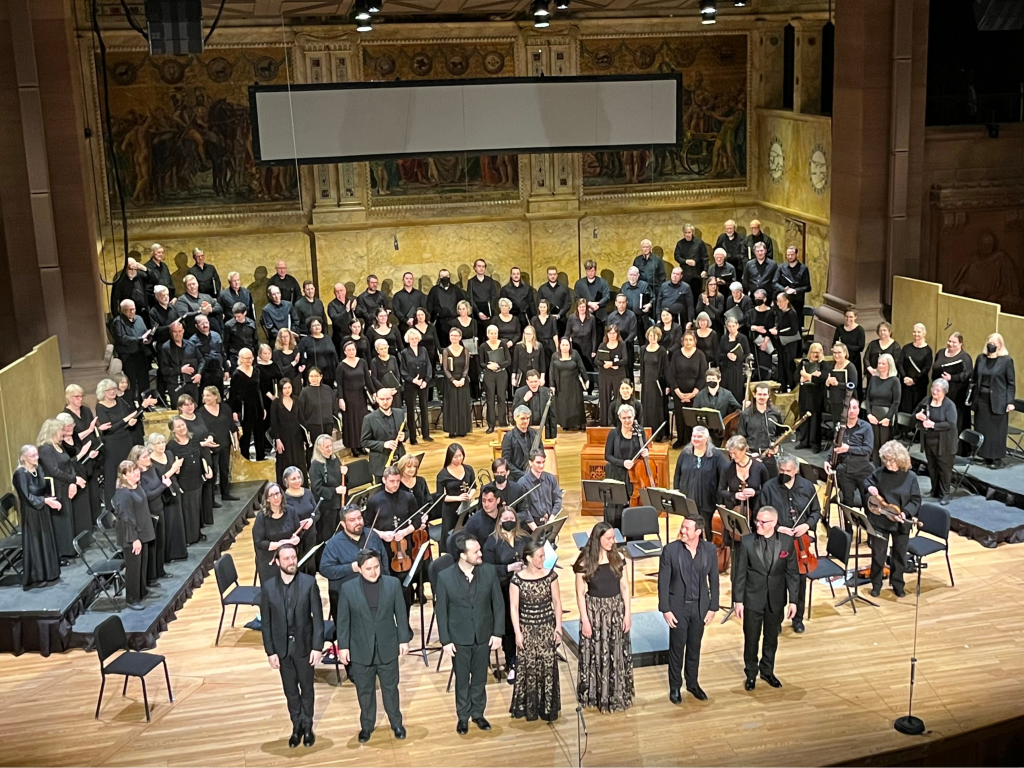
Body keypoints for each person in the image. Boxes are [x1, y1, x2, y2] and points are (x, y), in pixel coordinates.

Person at [338, 549, 412, 743]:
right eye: (368, 568)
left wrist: (403, 639)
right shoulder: (347, 588)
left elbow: (401, 614)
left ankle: (396, 723)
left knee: (391, 688)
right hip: (361, 648)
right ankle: (367, 725)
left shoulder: (392, 584)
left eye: (376, 567)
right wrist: (343, 646)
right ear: (359, 569)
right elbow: (343, 621)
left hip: (387, 646)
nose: (373, 572)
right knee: (364, 690)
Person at [436, 535, 505, 734]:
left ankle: (478, 713)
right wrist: (446, 640)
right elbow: (441, 611)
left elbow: (498, 605)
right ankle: (463, 716)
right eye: (475, 552)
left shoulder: (489, 571)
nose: (480, 554)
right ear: (463, 555)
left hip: (483, 635)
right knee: (462, 679)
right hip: (459, 638)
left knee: (480, 678)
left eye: (479, 550)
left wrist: (498, 632)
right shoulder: (445, 577)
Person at [261, 542, 324, 749]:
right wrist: (270, 651)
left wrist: (317, 647)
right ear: (277, 562)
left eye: (294, 557)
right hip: (282, 649)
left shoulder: (308, 583)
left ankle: (307, 727)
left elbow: (317, 619)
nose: (291, 562)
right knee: (290, 691)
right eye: (286, 558)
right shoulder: (268, 587)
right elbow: (267, 623)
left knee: (307, 689)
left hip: (305, 648)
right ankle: (296, 727)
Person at [733, 506, 798, 690]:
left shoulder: (786, 542)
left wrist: (793, 600)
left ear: (774, 523)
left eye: (763, 522)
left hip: (776, 599)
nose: (758, 524)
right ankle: (751, 673)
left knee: (771, 638)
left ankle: (767, 671)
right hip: (753, 598)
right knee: (751, 638)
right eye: (757, 521)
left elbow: (792, 573)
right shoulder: (746, 542)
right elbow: (740, 574)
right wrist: (738, 601)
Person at [573, 522, 634, 712]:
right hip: (595, 613)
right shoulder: (585, 562)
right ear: (597, 539)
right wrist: (585, 620)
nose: (612, 541)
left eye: (613, 537)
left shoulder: (618, 557)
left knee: (615, 653)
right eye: (608, 538)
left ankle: (616, 693)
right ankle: (596, 694)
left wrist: (628, 614)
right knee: (597, 654)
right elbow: (580, 594)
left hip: (615, 611)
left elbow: (625, 587)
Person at [658, 516, 719, 703]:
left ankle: (692, 683)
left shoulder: (709, 550)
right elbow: (663, 582)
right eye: (682, 527)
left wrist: (713, 607)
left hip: (700, 608)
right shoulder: (670, 550)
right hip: (678, 608)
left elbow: (714, 580)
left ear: (698, 532)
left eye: (687, 528)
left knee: (694, 647)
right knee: (677, 649)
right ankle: (675, 687)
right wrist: (666, 609)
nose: (682, 531)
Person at [760, 455, 821, 633]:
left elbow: (816, 512)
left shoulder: (807, 487)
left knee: (800, 582)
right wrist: (778, 527)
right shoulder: (769, 487)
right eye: (782, 471)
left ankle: (798, 619)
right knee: (777, 585)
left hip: (800, 544)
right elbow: (762, 513)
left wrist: (806, 525)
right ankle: (776, 621)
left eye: (788, 471)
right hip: (777, 541)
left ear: (796, 470)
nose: (785, 474)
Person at [509, 539, 562, 721]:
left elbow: (557, 603)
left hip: (547, 628)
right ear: (530, 558)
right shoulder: (517, 580)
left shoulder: (551, 576)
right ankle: (529, 707)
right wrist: (518, 632)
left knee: (547, 667)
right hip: (527, 629)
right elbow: (514, 608)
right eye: (540, 556)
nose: (543, 559)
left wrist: (558, 628)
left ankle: (547, 707)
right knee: (528, 667)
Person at [864, 441, 922, 597]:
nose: (888, 463)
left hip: (900, 522)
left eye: (891, 460)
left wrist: (906, 513)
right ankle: (876, 584)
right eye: (886, 460)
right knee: (878, 554)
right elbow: (867, 481)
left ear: (900, 459)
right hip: (881, 521)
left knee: (899, 555)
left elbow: (916, 500)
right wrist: (870, 488)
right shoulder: (880, 473)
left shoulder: (910, 478)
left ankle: (898, 584)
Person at [480, 509, 529, 681]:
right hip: (502, 589)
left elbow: (533, 556)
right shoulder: (492, 541)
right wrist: (508, 568)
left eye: (511, 518)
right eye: (505, 518)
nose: (508, 520)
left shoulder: (524, 537)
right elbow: (485, 569)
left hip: (524, 588)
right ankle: (512, 662)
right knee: (509, 624)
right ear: (499, 521)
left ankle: (527, 660)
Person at [320, 505, 389, 620]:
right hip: (347, 599)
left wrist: (386, 583)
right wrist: (352, 568)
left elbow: (384, 559)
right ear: (343, 524)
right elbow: (325, 569)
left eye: (359, 518)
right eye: (352, 520)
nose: (358, 522)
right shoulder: (334, 543)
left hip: (375, 595)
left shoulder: (372, 535)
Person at [12, 445, 61, 589]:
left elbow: (42, 488)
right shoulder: (20, 474)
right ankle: (37, 576)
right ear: (23, 458)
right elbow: (26, 497)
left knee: (46, 539)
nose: (37, 458)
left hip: (42, 508)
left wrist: (49, 499)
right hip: (31, 512)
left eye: (36, 454)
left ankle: (50, 572)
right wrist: (45, 501)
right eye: (32, 456)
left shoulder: (38, 469)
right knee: (35, 542)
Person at [111, 460, 155, 610]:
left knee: (142, 565)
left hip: (142, 532)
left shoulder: (136, 486)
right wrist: (134, 539)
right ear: (124, 475)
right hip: (131, 536)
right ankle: (132, 598)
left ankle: (141, 590)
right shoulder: (123, 494)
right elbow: (126, 518)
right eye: (131, 471)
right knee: (134, 568)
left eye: (136, 470)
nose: (137, 473)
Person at [36, 418, 80, 563]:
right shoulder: (46, 449)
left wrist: (72, 481)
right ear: (53, 432)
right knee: (59, 521)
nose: (63, 432)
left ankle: (68, 549)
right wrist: (72, 480)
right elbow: (53, 471)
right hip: (56, 488)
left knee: (67, 519)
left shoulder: (59, 446)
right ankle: (60, 553)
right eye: (61, 430)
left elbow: (69, 464)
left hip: (65, 485)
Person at [166, 415, 212, 545]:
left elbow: (202, 456)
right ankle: (188, 537)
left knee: (197, 507)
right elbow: (172, 466)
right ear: (173, 430)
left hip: (197, 478)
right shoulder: (172, 446)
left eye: (183, 425)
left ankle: (196, 533)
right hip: (184, 481)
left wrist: (208, 469)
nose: (181, 428)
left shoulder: (194, 438)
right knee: (187, 510)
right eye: (178, 426)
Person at [95, 379, 140, 513]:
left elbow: (130, 415)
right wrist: (125, 420)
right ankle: (112, 507)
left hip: (126, 439)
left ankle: (130, 501)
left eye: (114, 389)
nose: (112, 392)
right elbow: (110, 428)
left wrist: (130, 421)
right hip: (112, 444)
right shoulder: (100, 407)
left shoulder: (120, 401)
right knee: (112, 474)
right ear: (102, 392)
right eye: (109, 390)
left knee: (128, 470)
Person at [972, 332, 1016, 467]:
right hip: (981, 399)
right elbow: (974, 378)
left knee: (996, 431)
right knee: (983, 428)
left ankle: (996, 458)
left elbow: (1011, 383)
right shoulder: (981, 358)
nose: (991, 345)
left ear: (1000, 345)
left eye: (994, 344)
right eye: (989, 343)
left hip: (998, 401)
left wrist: (1010, 401)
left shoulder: (1006, 361)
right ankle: (985, 455)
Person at [674, 427, 727, 534]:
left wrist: (721, 499)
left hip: (708, 499)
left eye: (700, 436)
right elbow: (677, 473)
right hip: (688, 498)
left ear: (706, 438)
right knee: (690, 527)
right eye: (694, 436)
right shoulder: (685, 453)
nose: (696, 439)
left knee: (707, 528)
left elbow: (724, 476)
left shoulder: (716, 455)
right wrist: (676, 490)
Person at [145, 432, 188, 562]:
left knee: (178, 521)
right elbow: (158, 480)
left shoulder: (169, 454)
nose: (161, 445)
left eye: (163, 442)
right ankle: (168, 554)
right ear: (151, 446)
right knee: (168, 523)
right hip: (163, 493)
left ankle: (179, 551)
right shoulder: (150, 462)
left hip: (174, 489)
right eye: (158, 443)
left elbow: (175, 474)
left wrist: (177, 469)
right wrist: (173, 469)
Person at [915, 380, 958, 504]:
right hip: (930, 440)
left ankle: (945, 494)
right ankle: (934, 490)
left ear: (944, 392)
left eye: (938, 390)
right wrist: (918, 416)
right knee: (932, 466)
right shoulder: (926, 401)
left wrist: (933, 424)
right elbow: (915, 414)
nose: (934, 391)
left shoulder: (949, 405)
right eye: (933, 388)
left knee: (944, 468)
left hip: (945, 443)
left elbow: (951, 423)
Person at [825, 399, 874, 508]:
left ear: (859, 410)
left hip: (863, 470)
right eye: (848, 408)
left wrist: (849, 449)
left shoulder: (866, 427)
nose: (851, 411)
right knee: (847, 503)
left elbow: (868, 449)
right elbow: (835, 445)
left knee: (868, 503)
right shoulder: (840, 426)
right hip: (845, 471)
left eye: (854, 408)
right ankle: (847, 525)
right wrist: (827, 460)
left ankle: (866, 525)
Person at [253, 483, 304, 587]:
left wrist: (296, 539)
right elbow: (259, 542)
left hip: (289, 557)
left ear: (282, 494)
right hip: (269, 558)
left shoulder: (291, 511)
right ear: (267, 499)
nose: (276, 497)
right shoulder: (261, 516)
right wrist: (282, 544)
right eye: (272, 495)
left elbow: (299, 533)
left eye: (277, 493)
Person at [603, 404, 646, 527]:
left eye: (629, 417)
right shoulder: (613, 434)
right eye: (624, 418)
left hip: (635, 477)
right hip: (616, 474)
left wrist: (645, 452)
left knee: (632, 508)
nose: (627, 421)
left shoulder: (640, 432)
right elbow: (607, 456)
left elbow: (644, 450)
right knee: (616, 508)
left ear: (634, 417)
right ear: (619, 418)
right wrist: (622, 463)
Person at [309, 433, 347, 556]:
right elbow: (317, 489)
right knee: (328, 535)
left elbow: (343, 480)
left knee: (340, 532)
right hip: (326, 507)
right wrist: (335, 491)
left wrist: (345, 473)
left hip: (338, 503)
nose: (330, 449)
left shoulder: (335, 459)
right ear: (319, 448)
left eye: (331, 446)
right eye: (326, 447)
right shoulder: (315, 465)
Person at [669, 331, 709, 447]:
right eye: (686, 340)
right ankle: (681, 440)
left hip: (695, 392)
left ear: (695, 341)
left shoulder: (700, 355)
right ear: (682, 341)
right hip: (679, 392)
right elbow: (671, 374)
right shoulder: (676, 354)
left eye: (690, 340)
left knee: (693, 418)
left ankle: (693, 441)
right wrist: (678, 392)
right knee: (680, 416)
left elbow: (703, 376)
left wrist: (693, 393)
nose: (688, 342)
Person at [931, 332, 974, 438]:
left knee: (955, 418)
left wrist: (952, 378)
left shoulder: (965, 357)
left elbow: (967, 374)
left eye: (954, 342)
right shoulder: (941, 352)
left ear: (960, 344)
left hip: (957, 393)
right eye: (949, 341)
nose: (951, 344)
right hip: (941, 391)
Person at [111, 299, 154, 400]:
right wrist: (139, 339)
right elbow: (122, 338)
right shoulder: (118, 321)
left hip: (141, 353)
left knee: (144, 380)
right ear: (122, 310)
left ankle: (145, 402)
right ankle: (131, 403)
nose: (131, 312)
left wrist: (148, 338)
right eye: (128, 310)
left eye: (133, 309)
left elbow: (145, 332)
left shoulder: (139, 319)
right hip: (128, 356)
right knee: (131, 382)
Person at [199, 386, 237, 501]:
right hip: (211, 447)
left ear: (216, 396)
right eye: (204, 395)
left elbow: (232, 425)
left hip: (225, 443)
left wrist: (236, 441)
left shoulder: (225, 408)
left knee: (225, 469)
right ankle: (211, 499)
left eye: (208, 395)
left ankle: (225, 493)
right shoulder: (200, 412)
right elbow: (202, 431)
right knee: (213, 471)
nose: (206, 398)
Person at [361, 389, 406, 484]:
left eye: (388, 399)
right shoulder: (369, 419)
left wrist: (405, 436)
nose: (385, 402)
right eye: (382, 399)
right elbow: (364, 442)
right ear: (376, 399)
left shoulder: (400, 413)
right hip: (380, 463)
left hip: (399, 459)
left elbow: (406, 431)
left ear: (392, 398)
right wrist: (384, 444)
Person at [335, 342, 373, 455]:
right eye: (349, 350)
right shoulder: (341, 366)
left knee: (362, 421)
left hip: (361, 396)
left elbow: (367, 379)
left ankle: (361, 444)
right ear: (345, 352)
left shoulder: (362, 362)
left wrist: (374, 392)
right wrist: (341, 399)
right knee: (351, 421)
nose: (352, 351)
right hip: (348, 397)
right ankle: (353, 446)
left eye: (353, 349)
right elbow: (339, 384)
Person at [436, 443, 477, 546]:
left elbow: (474, 487)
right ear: (450, 457)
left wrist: (469, 496)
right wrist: (458, 498)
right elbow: (440, 496)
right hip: (451, 510)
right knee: (451, 538)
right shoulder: (442, 474)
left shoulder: (468, 469)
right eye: (455, 457)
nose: (459, 459)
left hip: (466, 508)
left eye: (461, 455)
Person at [864, 354, 901, 464]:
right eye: (879, 363)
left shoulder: (894, 381)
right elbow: (867, 399)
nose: (880, 365)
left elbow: (896, 402)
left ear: (889, 365)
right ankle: (876, 469)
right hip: (873, 415)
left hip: (887, 417)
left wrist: (888, 418)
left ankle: (885, 470)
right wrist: (869, 414)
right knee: (875, 445)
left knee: (885, 446)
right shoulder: (874, 379)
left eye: (883, 363)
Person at [229, 348, 265, 462]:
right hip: (245, 407)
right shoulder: (237, 374)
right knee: (246, 434)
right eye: (247, 358)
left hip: (257, 405)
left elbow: (259, 390)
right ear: (241, 359)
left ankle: (261, 458)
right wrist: (234, 411)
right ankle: (245, 459)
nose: (250, 360)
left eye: (251, 357)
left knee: (260, 433)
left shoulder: (256, 371)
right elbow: (233, 394)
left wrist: (262, 407)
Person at [400, 328, 433, 444]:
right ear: (408, 340)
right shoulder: (404, 353)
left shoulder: (423, 350)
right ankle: (413, 437)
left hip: (423, 384)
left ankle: (426, 434)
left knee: (424, 408)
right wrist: (413, 380)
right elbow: (403, 371)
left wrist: (426, 380)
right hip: (410, 384)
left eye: (415, 338)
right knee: (410, 410)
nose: (413, 340)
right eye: (411, 339)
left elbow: (429, 366)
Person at [282, 467, 318, 572]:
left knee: (311, 564)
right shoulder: (284, 498)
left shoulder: (308, 493)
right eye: (293, 479)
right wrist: (298, 524)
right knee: (298, 565)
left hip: (310, 535)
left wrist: (312, 520)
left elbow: (317, 512)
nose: (297, 481)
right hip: (295, 537)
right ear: (286, 481)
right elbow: (285, 519)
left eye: (299, 477)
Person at [516, 450, 563, 530]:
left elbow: (558, 499)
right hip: (531, 526)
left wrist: (552, 519)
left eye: (543, 462)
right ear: (530, 463)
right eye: (538, 462)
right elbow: (523, 509)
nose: (541, 465)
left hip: (549, 521)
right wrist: (536, 530)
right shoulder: (522, 483)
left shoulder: (551, 478)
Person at [270, 379, 305, 485]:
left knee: (299, 461)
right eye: (285, 388)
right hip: (283, 437)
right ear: (281, 389)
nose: (287, 390)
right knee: (285, 462)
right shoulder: (276, 403)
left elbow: (301, 420)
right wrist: (277, 439)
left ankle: (300, 485)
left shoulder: (297, 400)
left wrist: (305, 439)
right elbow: (274, 422)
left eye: (289, 387)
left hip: (296, 437)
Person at [693, 367, 741, 444]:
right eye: (709, 379)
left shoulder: (727, 394)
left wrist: (729, 420)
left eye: (713, 378)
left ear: (719, 379)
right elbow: (694, 413)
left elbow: (738, 408)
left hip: (722, 432)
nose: (711, 381)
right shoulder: (700, 395)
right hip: (705, 432)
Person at [441, 327, 473, 438]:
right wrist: (453, 380)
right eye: (452, 336)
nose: (454, 338)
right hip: (451, 381)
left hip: (463, 380)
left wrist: (463, 378)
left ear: (460, 337)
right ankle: (452, 430)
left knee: (462, 404)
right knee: (452, 405)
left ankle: (462, 429)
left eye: (456, 336)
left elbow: (466, 367)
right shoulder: (446, 351)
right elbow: (445, 369)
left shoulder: (465, 350)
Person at [549, 338, 587, 431]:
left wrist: (586, 380)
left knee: (576, 404)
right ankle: (566, 423)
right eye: (563, 345)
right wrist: (552, 385)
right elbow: (551, 371)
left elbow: (581, 367)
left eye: (567, 345)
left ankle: (580, 423)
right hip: (561, 384)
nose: (565, 347)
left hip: (574, 383)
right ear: (559, 346)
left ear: (570, 346)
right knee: (564, 404)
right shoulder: (555, 356)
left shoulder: (575, 354)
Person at [481, 324, 511, 433]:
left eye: (495, 333)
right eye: (491, 333)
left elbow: (508, 360)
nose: (493, 335)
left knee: (502, 398)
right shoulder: (483, 346)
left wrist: (498, 365)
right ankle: (491, 424)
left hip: (501, 373)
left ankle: (503, 423)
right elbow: (481, 362)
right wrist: (488, 366)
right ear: (488, 334)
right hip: (489, 375)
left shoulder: (503, 344)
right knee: (490, 399)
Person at [796, 343, 826, 451]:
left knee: (815, 420)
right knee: (803, 417)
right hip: (804, 393)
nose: (816, 355)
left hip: (816, 394)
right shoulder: (804, 363)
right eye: (814, 352)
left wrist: (806, 376)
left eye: (818, 352)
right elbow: (796, 376)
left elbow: (822, 379)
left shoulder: (823, 365)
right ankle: (804, 441)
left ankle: (815, 444)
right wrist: (803, 378)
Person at [512, 369, 557, 439]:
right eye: (531, 382)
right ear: (527, 382)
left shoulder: (547, 392)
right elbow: (514, 411)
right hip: (526, 431)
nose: (533, 384)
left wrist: (553, 434)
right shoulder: (519, 392)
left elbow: (552, 415)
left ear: (539, 380)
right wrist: (524, 400)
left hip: (544, 430)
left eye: (535, 381)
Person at [597, 325, 627, 427]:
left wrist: (613, 364)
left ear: (617, 334)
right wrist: (605, 364)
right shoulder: (602, 345)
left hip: (618, 374)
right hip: (605, 375)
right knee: (604, 398)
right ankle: (604, 422)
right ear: (607, 334)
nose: (612, 335)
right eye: (610, 333)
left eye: (614, 333)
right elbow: (596, 360)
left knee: (618, 398)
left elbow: (625, 359)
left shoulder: (622, 345)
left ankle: (618, 422)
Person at [900, 323, 933, 414]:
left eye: (919, 332)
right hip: (905, 384)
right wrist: (904, 377)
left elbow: (926, 368)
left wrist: (914, 380)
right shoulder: (906, 348)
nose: (916, 334)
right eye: (914, 332)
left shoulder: (927, 350)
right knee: (904, 409)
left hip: (919, 385)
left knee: (917, 410)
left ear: (924, 333)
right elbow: (900, 363)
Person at [771, 293, 801, 393]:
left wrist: (778, 332)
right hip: (781, 344)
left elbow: (794, 330)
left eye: (780, 301)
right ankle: (783, 387)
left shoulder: (792, 313)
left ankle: (791, 388)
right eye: (777, 301)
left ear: (786, 301)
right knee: (781, 366)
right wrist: (776, 328)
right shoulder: (781, 313)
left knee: (789, 366)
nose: (778, 303)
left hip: (789, 345)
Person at [773, 246, 811, 321]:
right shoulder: (781, 267)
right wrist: (784, 289)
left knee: (797, 323)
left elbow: (808, 287)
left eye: (792, 254)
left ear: (797, 254)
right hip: (783, 301)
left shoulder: (803, 269)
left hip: (797, 302)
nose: (790, 257)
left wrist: (795, 290)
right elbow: (774, 283)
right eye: (788, 255)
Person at [718, 316, 751, 406]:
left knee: (737, 392)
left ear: (737, 326)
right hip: (726, 369)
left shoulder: (742, 338)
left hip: (737, 369)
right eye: (729, 326)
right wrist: (727, 355)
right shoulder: (724, 338)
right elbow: (719, 354)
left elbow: (747, 353)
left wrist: (737, 358)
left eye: (733, 326)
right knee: (725, 392)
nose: (731, 328)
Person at [605, 294, 638, 380]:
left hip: (627, 346)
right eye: (619, 302)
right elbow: (608, 332)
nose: (621, 304)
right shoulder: (611, 317)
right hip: (614, 347)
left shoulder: (632, 315)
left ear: (626, 303)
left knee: (628, 370)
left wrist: (623, 344)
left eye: (623, 302)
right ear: (616, 303)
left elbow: (633, 332)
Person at [192, 315, 226, 395]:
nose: (205, 325)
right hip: (205, 374)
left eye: (206, 322)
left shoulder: (216, 335)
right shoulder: (193, 340)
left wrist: (227, 370)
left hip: (218, 371)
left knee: (219, 395)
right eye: (202, 323)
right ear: (196, 326)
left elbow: (222, 353)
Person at [426, 269, 465, 341]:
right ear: (439, 277)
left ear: (449, 276)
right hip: (440, 323)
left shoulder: (456, 289)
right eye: (442, 276)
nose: (445, 278)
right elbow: (430, 306)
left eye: (446, 276)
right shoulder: (434, 290)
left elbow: (462, 303)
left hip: (455, 322)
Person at [501, 407, 538, 481]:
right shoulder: (508, 437)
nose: (526, 421)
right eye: (522, 418)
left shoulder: (534, 434)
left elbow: (540, 453)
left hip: (533, 475)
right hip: (515, 479)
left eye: (528, 418)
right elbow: (506, 461)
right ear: (515, 418)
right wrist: (523, 475)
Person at [825, 343, 856, 427]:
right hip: (834, 401)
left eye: (839, 352)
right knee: (836, 425)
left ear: (845, 353)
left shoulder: (850, 367)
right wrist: (827, 383)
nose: (836, 355)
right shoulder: (831, 366)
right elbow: (827, 382)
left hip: (846, 401)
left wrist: (837, 384)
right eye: (834, 352)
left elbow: (853, 385)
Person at [574, 259, 611, 329]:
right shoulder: (579, 284)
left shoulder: (603, 282)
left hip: (601, 317)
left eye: (592, 271)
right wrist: (588, 304)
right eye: (588, 271)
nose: (590, 273)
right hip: (584, 317)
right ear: (585, 271)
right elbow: (576, 298)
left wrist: (598, 304)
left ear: (596, 270)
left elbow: (607, 297)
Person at [566, 298, 598, 377]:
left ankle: (589, 387)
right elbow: (567, 334)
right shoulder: (571, 318)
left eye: (583, 307)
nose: (581, 309)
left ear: (586, 308)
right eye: (580, 307)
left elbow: (594, 335)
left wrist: (593, 350)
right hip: (575, 347)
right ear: (577, 307)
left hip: (588, 347)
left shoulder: (592, 318)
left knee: (588, 368)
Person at [864, 320, 900, 392]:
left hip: (888, 377)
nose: (882, 332)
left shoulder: (896, 346)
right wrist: (870, 369)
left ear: (889, 332)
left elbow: (896, 362)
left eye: (884, 330)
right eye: (880, 330)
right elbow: (866, 358)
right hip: (873, 375)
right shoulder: (873, 344)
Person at [466, 259, 499, 338]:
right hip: (476, 311)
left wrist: (490, 310)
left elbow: (494, 296)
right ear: (475, 268)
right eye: (479, 266)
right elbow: (470, 298)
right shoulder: (471, 282)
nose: (481, 268)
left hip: (489, 310)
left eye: (483, 266)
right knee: (479, 335)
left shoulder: (490, 281)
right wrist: (478, 312)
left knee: (489, 334)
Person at [224, 303, 259, 373]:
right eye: (235, 316)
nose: (236, 319)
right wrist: (226, 359)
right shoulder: (228, 325)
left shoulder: (252, 323)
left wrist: (257, 355)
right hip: (235, 356)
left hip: (249, 356)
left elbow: (255, 341)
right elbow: (225, 343)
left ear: (245, 313)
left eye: (239, 316)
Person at [673, 227, 706, 298]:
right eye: (685, 233)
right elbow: (676, 256)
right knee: (684, 295)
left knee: (696, 295)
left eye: (689, 232)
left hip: (696, 274)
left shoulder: (699, 243)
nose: (687, 234)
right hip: (684, 274)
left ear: (692, 232)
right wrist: (686, 261)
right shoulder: (680, 243)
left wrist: (705, 270)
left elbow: (705, 257)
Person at [537, 266, 571, 336]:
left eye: (554, 274)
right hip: (546, 320)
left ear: (557, 275)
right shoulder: (542, 289)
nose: (552, 276)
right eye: (550, 274)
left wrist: (559, 314)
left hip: (561, 320)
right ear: (547, 275)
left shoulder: (564, 288)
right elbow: (539, 303)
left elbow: (568, 303)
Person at [512, 325, 546, 392]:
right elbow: (515, 363)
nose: (528, 336)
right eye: (526, 334)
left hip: (535, 375)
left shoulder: (539, 346)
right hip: (522, 374)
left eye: (530, 334)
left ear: (534, 335)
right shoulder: (518, 346)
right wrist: (513, 378)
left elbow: (542, 363)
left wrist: (542, 377)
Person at [328, 283, 354, 355]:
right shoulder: (332, 305)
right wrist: (345, 311)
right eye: (337, 292)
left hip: (352, 335)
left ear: (345, 291)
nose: (340, 293)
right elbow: (335, 318)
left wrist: (356, 309)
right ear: (334, 293)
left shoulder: (350, 301)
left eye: (341, 290)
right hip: (339, 337)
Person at [532, 299, 560, 364]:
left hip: (550, 345)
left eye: (544, 307)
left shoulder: (552, 319)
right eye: (541, 307)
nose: (542, 309)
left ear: (547, 307)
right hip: (538, 344)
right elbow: (533, 334)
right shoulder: (534, 319)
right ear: (538, 308)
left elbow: (555, 334)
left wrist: (557, 347)